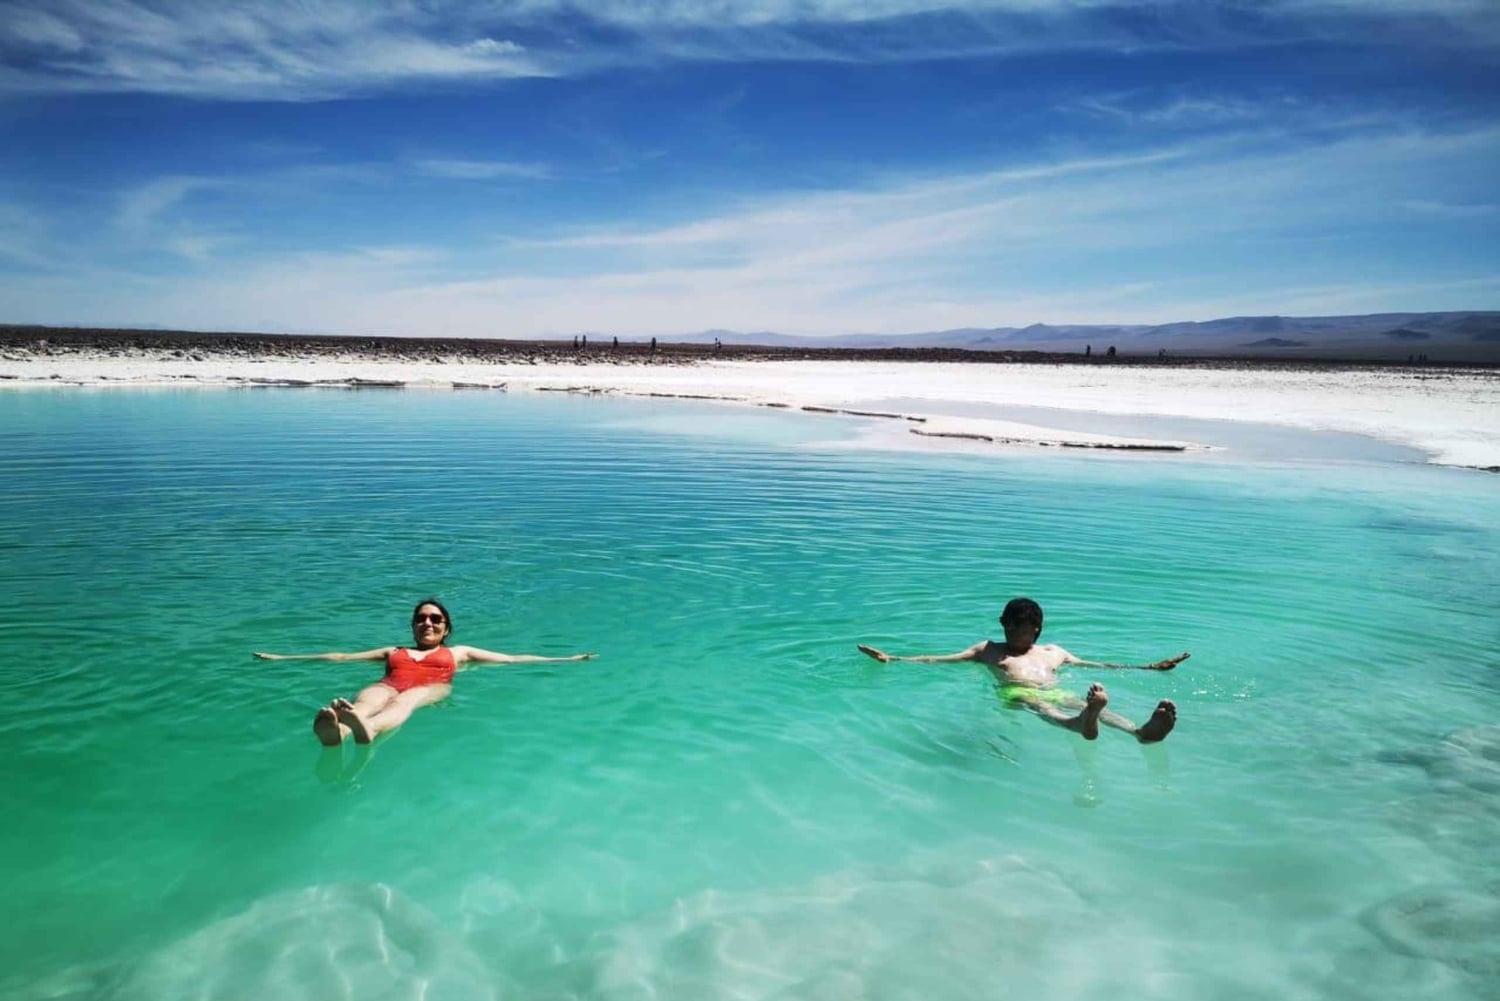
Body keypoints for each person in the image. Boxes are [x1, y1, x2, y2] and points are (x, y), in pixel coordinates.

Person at [254, 599, 596, 746]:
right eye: (421, 619)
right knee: (370, 697)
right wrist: (281, 657)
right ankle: (339, 732)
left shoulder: (459, 652)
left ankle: (368, 729)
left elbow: (510, 659)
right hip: (390, 682)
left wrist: (566, 659)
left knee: (408, 699)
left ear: (446, 628)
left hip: (433, 688)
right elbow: (341, 656)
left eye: (435, 619)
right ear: (413, 626)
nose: (427, 623)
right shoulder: (394, 652)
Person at [857, 597, 1187, 742]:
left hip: (1055, 690)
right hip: (1015, 694)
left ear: (1037, 630)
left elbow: (1098, 665)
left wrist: (1149, 667)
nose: (1014, 632)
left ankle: (1138, 732)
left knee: (1079, 702)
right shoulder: (987, 650)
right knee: (1037, 704)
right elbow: (941, 659)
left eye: (1022, 628)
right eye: (1010, 626)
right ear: (1003, 624)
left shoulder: (1053, 652)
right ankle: (1077, 724)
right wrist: (894, 658)